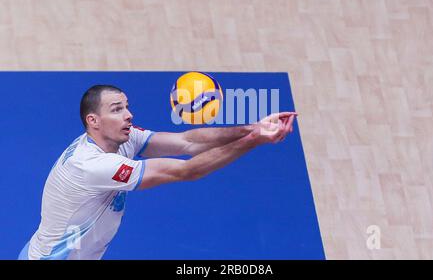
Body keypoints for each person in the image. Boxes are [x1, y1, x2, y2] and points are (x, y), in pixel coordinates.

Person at [18, 85, 297, 260]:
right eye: (117, 109)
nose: (129, 114)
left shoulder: (124, 139)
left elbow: (187, 142)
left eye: (127, 106)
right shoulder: (92, 165)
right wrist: (254, 141)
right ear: (94, 121)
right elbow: (186, 171)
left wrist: (253, 127)